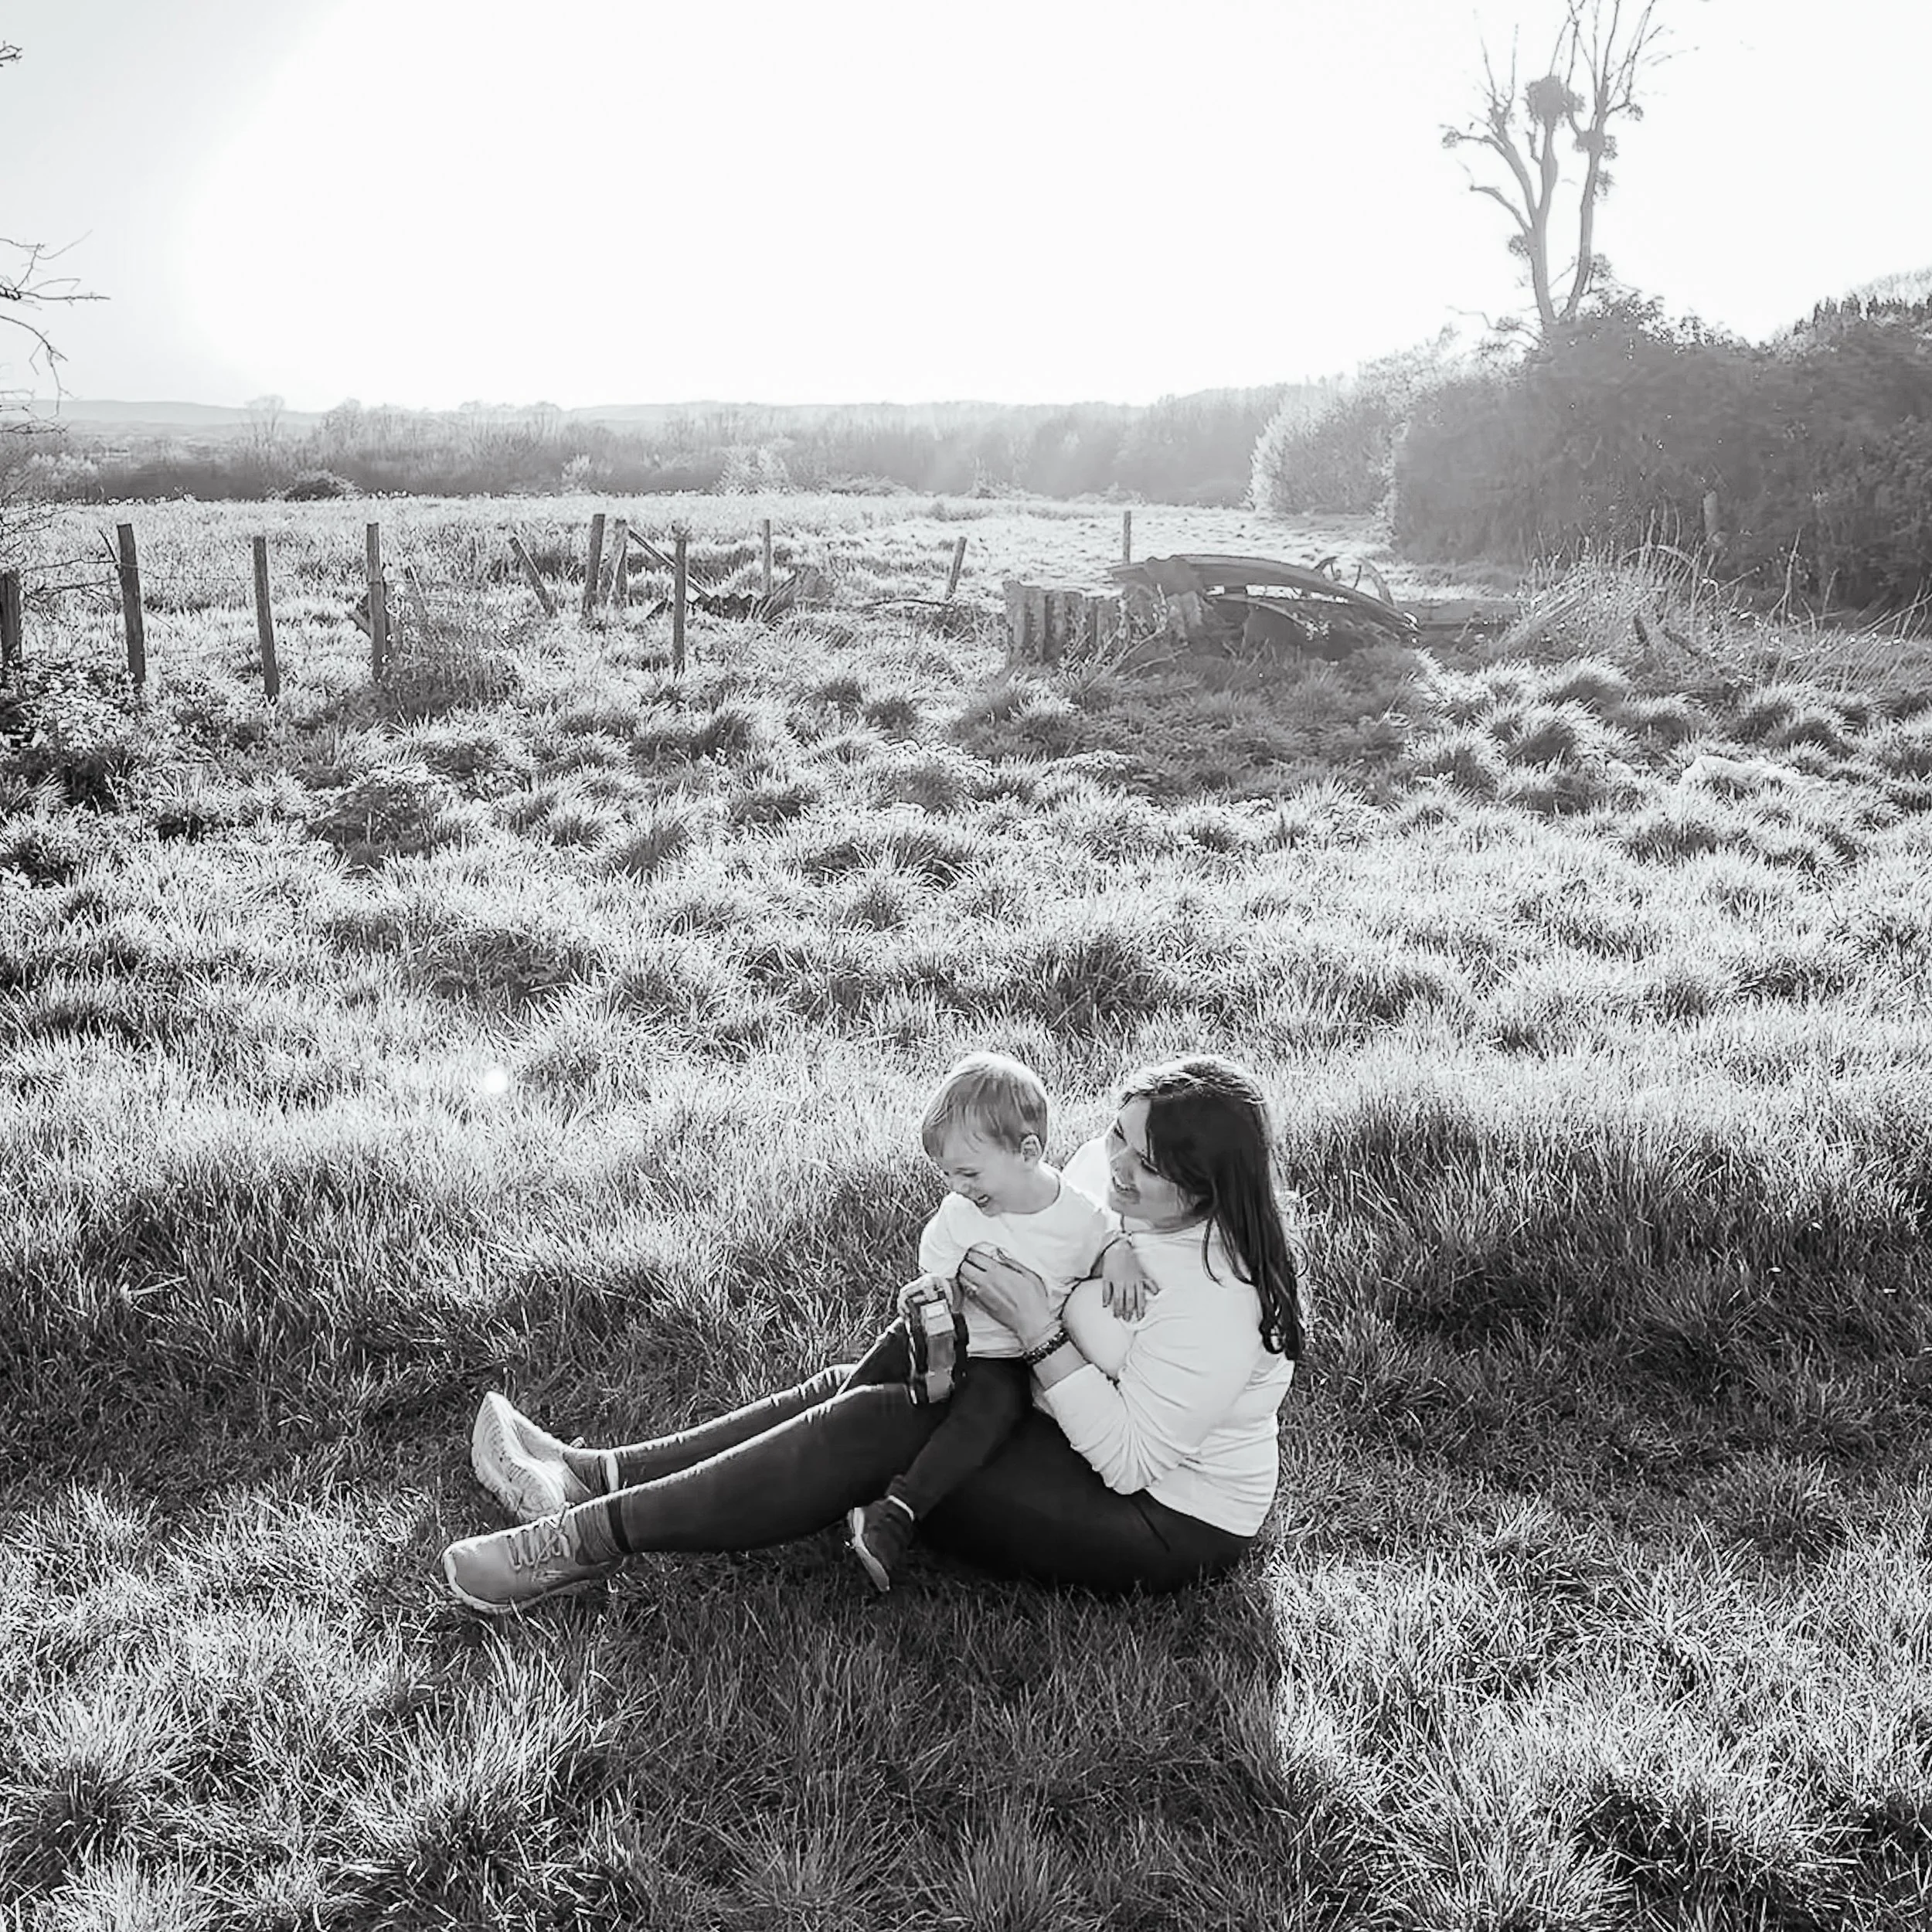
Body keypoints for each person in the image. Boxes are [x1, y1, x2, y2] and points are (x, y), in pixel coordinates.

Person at [440, 1053, 1308, 1612]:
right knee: (871, 1378)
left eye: (1144, 1165)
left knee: (882, 1424)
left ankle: (574, 1543)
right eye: (1118, 1134)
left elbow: (1129, 1460)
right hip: (1048, 1418)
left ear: (1201, 1187)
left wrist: (1039, 1329)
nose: (1113, 1163)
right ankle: (594, 1472)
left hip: (1157, 1518)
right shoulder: (1101, 1186)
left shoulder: (1220, 1295)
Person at [844, 1051, 1157, 1591]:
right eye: (947, 1174)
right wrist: (935, 1292)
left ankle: (895, 1515)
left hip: (1006, 1360)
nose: (958, 1187)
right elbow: (937, 1273)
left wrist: (1122, 1255)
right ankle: (829, 1451)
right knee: (861, 1397)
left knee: (984, 1420)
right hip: (945, 1339)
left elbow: (1106, 1239)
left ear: (1027, 1152)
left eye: (968, 1172)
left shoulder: (1076, 1217)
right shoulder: (959, 1214)